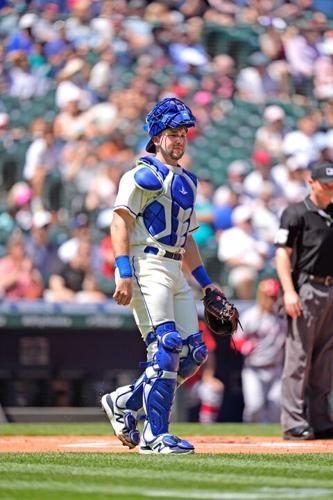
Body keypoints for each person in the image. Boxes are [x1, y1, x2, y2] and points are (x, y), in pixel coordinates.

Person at [101, 97, 224, 454]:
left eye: (183, 134)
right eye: (172, 134)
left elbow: (186, 239)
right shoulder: (141, 174)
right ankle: (155, 436)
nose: (179, 140)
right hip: (146, 264)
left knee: (194, 353)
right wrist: (122, 271)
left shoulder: (187, 180)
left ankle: (125, 401)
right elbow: (119, 221)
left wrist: (206, 283)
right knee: (166, 347)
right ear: (156, 137)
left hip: (174, 270)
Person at [275, 162, 333, 440]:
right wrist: (288, 291)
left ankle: (321, 420)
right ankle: (294, 421)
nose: (330, 190)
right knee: (299, 358)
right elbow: (282, 254)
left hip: (331, 288)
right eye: (326, 185)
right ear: (312, 183)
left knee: (325, 360)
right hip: (306, 287)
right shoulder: (296, 212)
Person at [233, 278, 287, 423]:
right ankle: (250, 441)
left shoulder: (282, 317)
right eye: (268, 296)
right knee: (254, 408)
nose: (271, 300)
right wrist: (244, 345)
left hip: (276, 369)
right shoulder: (250, 315)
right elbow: (235, 340)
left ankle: (274, 443)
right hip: (254, 369)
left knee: (277, 406)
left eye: (274, 296)